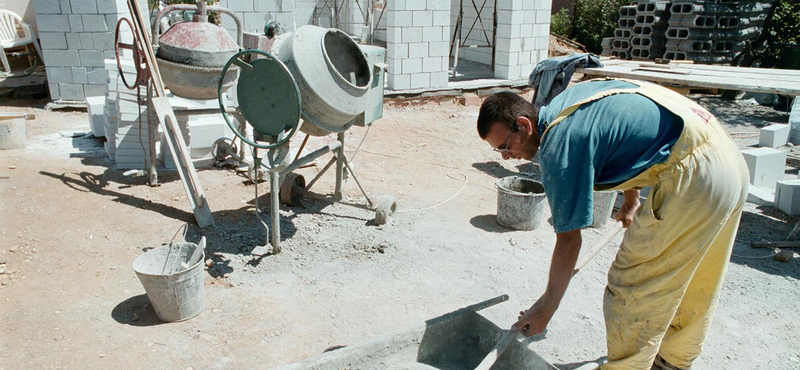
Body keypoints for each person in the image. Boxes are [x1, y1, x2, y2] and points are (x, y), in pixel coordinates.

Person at [476, 78, 749, 370]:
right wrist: (631, 200)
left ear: (524, 125)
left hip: (694, 177)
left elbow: (569, 240)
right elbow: (625, 141)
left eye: (505, 146)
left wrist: (547, 306)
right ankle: (672, 363)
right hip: (726, 161)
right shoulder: (567, 106)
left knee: (633, 287)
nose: (506, 156)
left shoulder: (560, 146)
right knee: (694, 276)